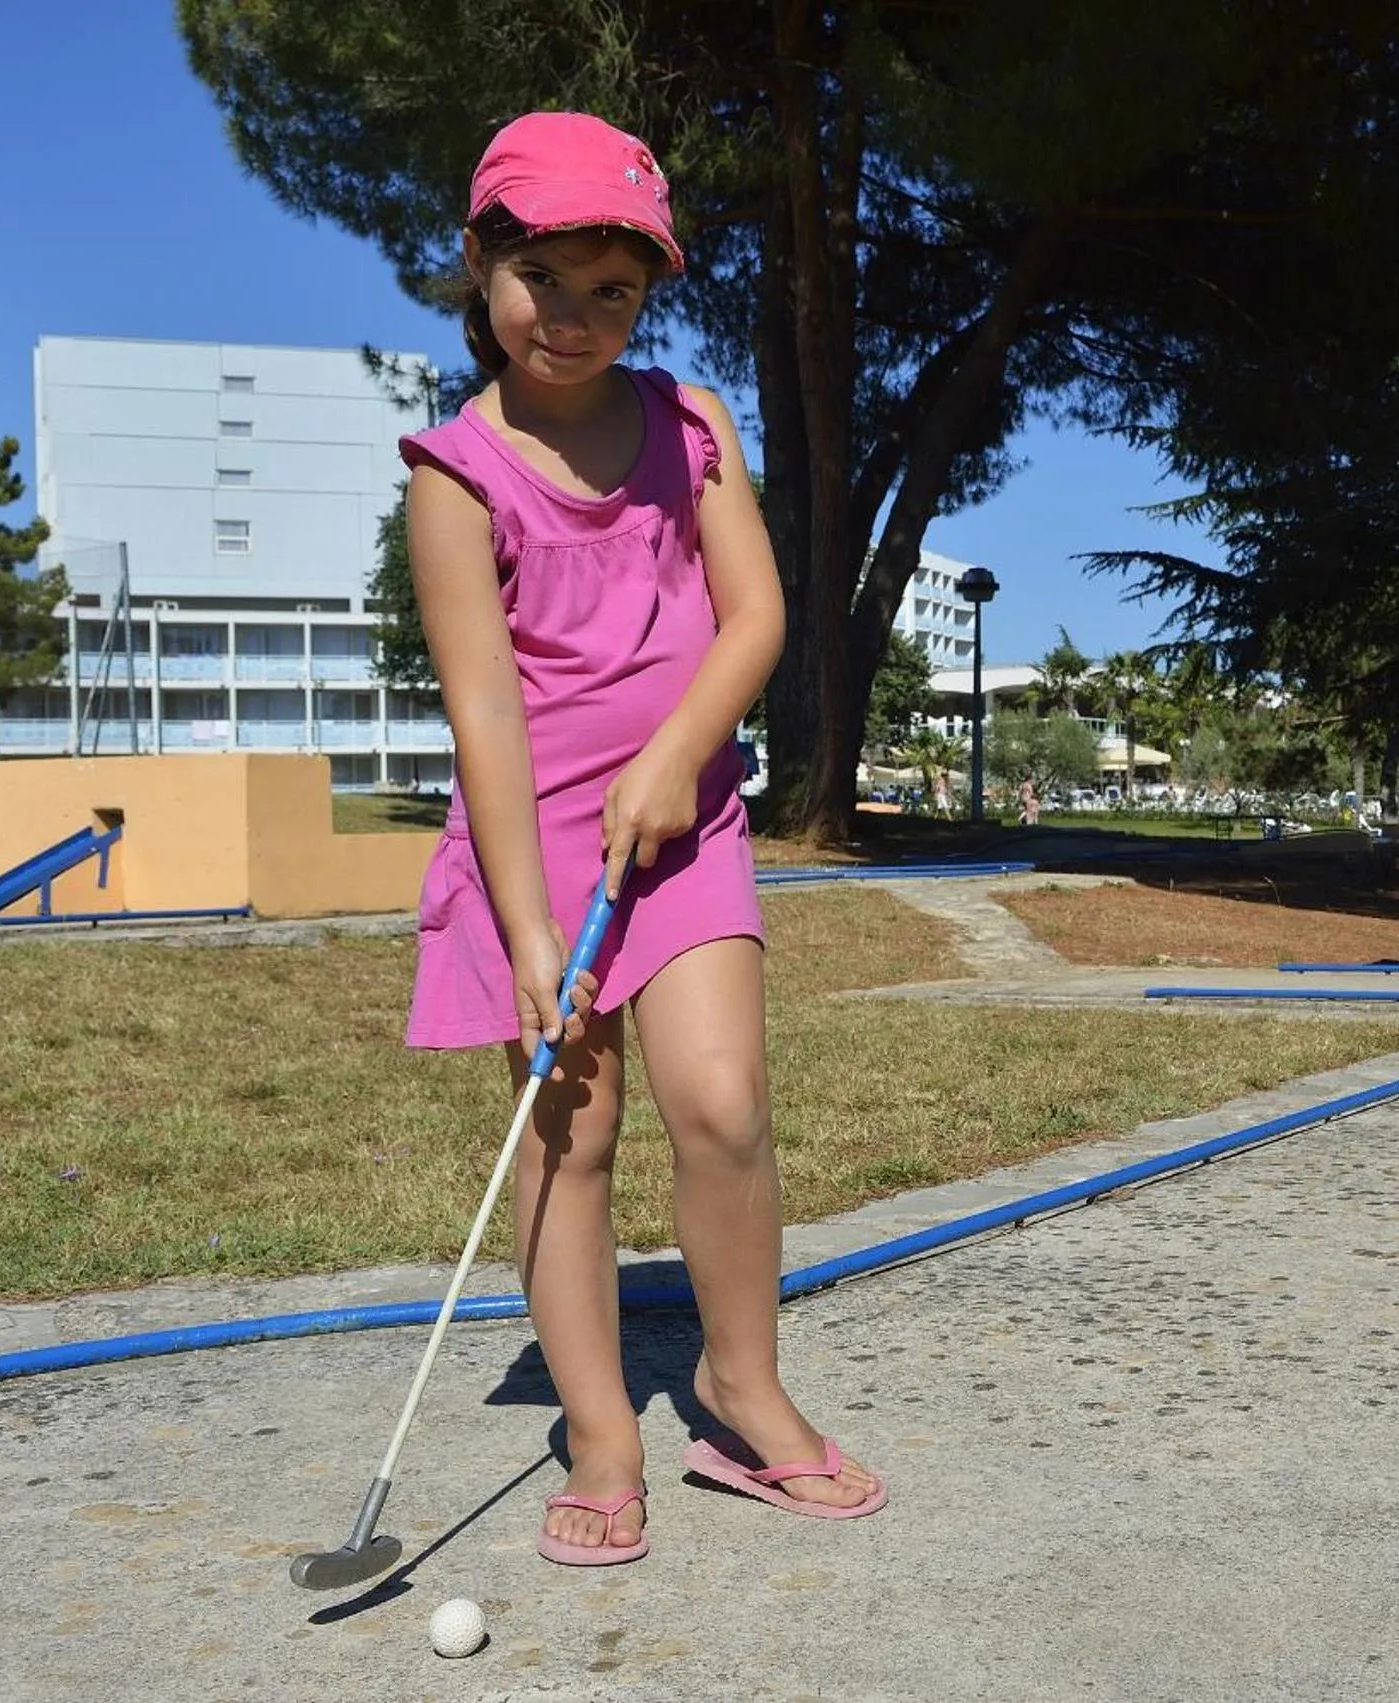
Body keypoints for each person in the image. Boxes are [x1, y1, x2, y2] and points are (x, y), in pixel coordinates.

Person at [401, 112, 882, 1568]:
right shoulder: (453, 475)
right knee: (574, 1132)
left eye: (613, 291)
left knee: (722, 1100)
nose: (573, 317)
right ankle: (602, 1428)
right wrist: (528, 924)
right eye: (542, 278)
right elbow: (486, 712)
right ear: (480, 262)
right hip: (534, 847)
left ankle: (739, 1388)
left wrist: (678, 755)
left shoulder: (693, 425)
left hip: (687, 822)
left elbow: (758, 616)